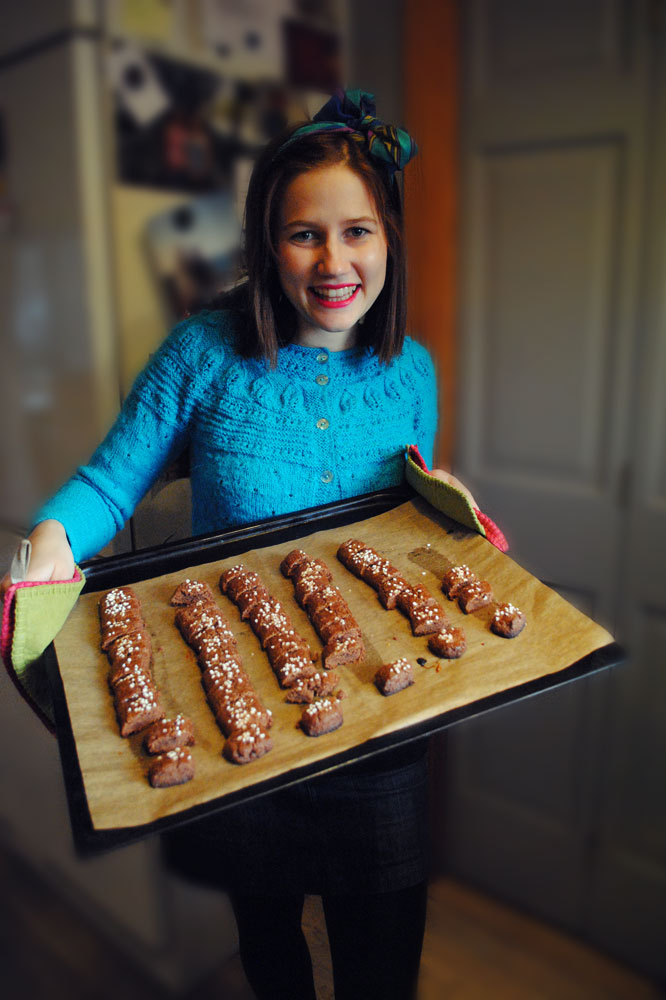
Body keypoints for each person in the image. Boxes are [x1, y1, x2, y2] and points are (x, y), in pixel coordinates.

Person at [2, 90, 474, 999]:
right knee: (271, 953)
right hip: (235, 724)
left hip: (381, 726)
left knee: (383, 964)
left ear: (388, 240)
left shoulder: (412, 369)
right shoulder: (203, 355)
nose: (334, 261)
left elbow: (408, 517)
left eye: (358, 232)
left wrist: (452, 508)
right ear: (268, 241)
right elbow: (108, 484)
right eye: (304, 234)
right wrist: (47, 545)